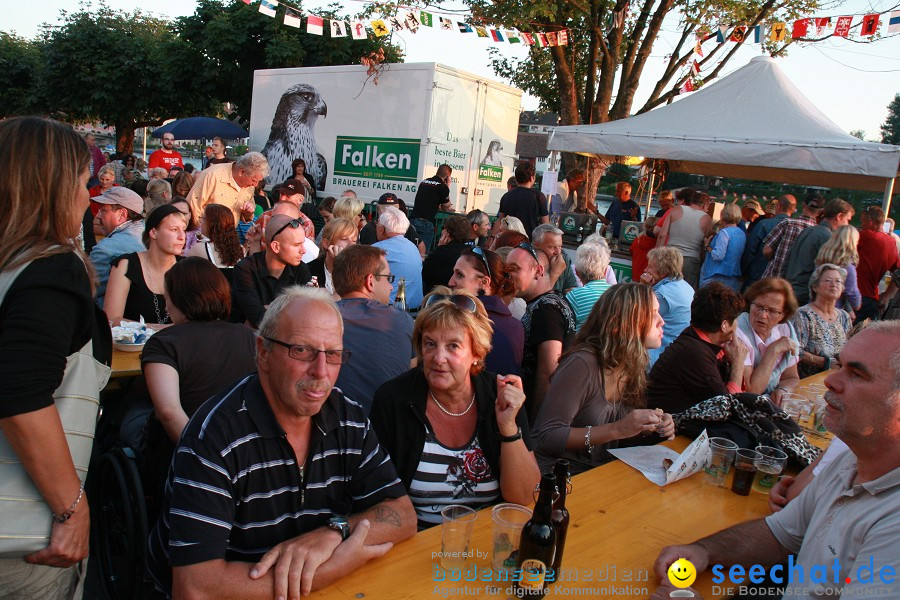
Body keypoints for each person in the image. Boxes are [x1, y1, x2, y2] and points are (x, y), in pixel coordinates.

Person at [145, 287, 416, 598]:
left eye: (333, 354)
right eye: (302, 350)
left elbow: (402, 514)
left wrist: (335, 531)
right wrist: (330, 569)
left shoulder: (347, 417)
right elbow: (195, 588)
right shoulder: (214, 439)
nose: (321, 371)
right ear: (263, 352)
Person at [651, 322, 900, 600]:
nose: (830, 380)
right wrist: (704, 551)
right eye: (839, 365)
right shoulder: (850, 460)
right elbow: (780, 534)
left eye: (856, 374)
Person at [0, 117, 112, 598]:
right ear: (51, 188)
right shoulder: (48, 268)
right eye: (80, 183)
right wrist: (72, 508)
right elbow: (20, 395)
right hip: (23, 538)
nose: (88, 197)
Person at [369, 289, 540, 529]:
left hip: (485, 537)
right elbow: (377, 496)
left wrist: (508, 426)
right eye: (430, 344)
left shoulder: (500, 395)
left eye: (453, 346)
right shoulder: (393, 399)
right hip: (413, 541)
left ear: (476, 353)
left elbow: (524, 496)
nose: (438, 358)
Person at [534, 283, 675, 474]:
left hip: (600, 473)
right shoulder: (582, 364)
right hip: (559, 476)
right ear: (623, 324)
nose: (661, 321)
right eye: (652, 314)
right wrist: (617, 429)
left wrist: (651, 425)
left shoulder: (633, 364)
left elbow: (622, 434)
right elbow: (547, 436)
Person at [332, 245, 415, 413]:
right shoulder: (401, 319)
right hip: (387, 426)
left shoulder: (321, 318)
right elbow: (413, 373)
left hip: (332, 425)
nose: (391, 287)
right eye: (388, 278)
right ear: (370, 282)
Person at [646, 282, 747, 414]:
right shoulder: (694, 352)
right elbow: (726, 406)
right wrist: (738, 365)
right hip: (663, 428)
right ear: (725, 325)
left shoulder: (698, 342)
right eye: (735, 320)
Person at [506, 243, 576, 421]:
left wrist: (535, 424)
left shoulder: (547, 309)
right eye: (507, 270)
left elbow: (549, 369)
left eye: (514, 269)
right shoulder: (550, 302)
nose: (508, 276)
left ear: (538, 271)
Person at [105, 204, 186, 326]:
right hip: (134, 344)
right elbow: (111, 319)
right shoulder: (126, 265)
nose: (182, 237)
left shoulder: (187, 268)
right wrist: (161, 330)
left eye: (183, 230)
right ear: (153, 233)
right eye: (174, 230)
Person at [449, 247, 525, 376]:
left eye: (460, 275)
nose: (450, 282)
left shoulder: (463, 322)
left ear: (483, 283)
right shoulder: (516, 326)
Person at [231, 214, 313, 328]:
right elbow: (258, 319)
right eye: (297, 245)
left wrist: (269, 308)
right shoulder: (245, 269)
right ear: (276, 247)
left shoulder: (301, 269)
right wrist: (288, 310)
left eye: (303, 243)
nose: (303, 251)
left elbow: (307, 318)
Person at [735, 277, 800, 404]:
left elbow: (791, 377)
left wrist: (783, 390)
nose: (763, 315)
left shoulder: (785, 329)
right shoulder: (738, 331)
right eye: (758, 306)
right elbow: (751, 391)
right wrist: (773, 350)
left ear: (783, 314)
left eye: (772, 311)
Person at [783, 198, 855, 304]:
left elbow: (787, 260)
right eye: (847, 220)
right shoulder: (828, 238)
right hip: (806, 295)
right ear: (839, 216)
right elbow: (831, 272)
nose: (847, 224)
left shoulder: (807, 231)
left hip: (790, 290)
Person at [792, 263, 852, 379]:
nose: (833, 285)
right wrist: (825, 363)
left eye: (838, 281)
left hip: (837, 378)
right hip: (808, 381)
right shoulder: (803, 315)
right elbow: (794, 351)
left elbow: (849, 348)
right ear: (815, 287)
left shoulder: (844, 316)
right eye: (828, 281)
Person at [89, 187, 146, 308]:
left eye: (103, 210)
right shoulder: (151, 236)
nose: (98, 215)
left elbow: (87, 290)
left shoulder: (105, 250)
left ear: (122, 214)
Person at [640, 247, 695, 367]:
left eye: (650, 267)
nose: (645, 269)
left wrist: (643, 288)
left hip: (657, 356)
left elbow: (636, 317)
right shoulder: (686, 286)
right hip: (676, 352)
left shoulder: (662, 294)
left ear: (663, 272)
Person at [186, 152, 269, 227]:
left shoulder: (249, 186)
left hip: (228, 236)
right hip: (204, 236)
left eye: (258, 181)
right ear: (242, 172)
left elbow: (247, 218)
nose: (255, 185)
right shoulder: (212, 175)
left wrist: (248, 213)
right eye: (253, 180)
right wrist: (200, 235)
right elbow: (192, 207)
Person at [656, 189, 711, 289]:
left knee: (664, 287)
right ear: (705, 204)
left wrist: (657, 255)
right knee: (687, 290)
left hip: (671, 256)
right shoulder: (706, 218)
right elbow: (706, 243)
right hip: (691, 260)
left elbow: (662, 235)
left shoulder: (676, 209)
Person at [761, 192, 824, 278]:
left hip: (773, 279)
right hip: (796, 286)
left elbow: (766, 250)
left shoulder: (787, 223)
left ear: (803, 205)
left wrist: (775, 259)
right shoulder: (819, 234)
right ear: (820, 212)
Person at [855, 205, 900, 322]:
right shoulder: (891, 242)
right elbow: (898, 271)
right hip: (873, 299)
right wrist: (887, 296)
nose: (861, 226)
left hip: (856, 296)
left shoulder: (865, 236)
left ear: (870, 223)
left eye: (862, 222)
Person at [373, 208, 424, 309]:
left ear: (381, 229)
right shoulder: (413, 247)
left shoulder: (377, 249)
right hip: (415, 310)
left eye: (377, 224)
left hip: (389, 310)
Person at [742, 194, 796, 289]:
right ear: (793, 209)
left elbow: (750, 250)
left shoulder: (764, 224)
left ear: (779, 206)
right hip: (780, 282)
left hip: (756, 277)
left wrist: (743, 271)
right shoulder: (796, 229)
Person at [186, 203, 245, 284]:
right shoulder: (240, 249)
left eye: (202, 219)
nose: (200, 223)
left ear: (211, 224)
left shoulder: (199, 248)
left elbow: (185, 276)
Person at [815, 224, 862, 317]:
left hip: (815, 306)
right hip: (833, 312)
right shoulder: (848, 267)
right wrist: (857, 304)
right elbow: (851, 292)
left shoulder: (821, 260)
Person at [564, 242, 611, 332]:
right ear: (605, 270)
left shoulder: (574, 296)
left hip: (581, 344)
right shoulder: (617, 294)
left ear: (577, 273)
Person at [494, 163, 549, 240]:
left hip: (508, 240)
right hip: (529, 242)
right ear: (532, 178)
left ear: (516, 178)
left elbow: (500, 221)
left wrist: (492, 238)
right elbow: (545, 224)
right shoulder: (538, 197)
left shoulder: (506, 196)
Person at [699, 203, 746, 291]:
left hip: (716, 277)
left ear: (723, 215)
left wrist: (707, 246)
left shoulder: (724, 233)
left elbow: (718, 256)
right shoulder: (742, 233)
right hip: (733, 277)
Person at [307, 218, 358, 294]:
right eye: (344, 239)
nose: (351, 244)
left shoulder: (359, 270)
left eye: (354, 240)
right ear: (326, 243)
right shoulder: (309, 270)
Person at [422, 215, 471, 294]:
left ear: (447, 232)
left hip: (438, 296)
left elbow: (425, 274)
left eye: (443, 228)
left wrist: (439, 249)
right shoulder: (470, 251)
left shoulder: (441, 252)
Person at [410, 164, 453, 251]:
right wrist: (447, 186)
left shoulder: (424, 182)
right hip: (426, 223)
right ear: (447, 177)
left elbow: (427, 200)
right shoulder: (442, 187)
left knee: (410, 249)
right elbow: (446, 206)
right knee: (422, 253)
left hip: (413, 220)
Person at [532, 223, 578, 293]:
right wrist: (555, 273)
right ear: (536, 245)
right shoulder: (528, 262)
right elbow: (536, 296)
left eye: (560, 247)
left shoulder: (563, 258)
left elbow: (571, 287)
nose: (558, 252)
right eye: (552, 247)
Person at [629, 216, 659, 285]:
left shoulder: (638, 240)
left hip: (635, 275)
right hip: (649, 278)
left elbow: (631, 251)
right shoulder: (658, 243)